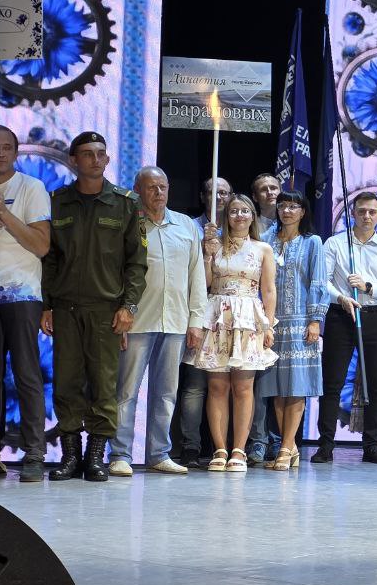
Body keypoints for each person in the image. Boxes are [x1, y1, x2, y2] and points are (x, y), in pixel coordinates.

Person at [42, 131, 147, 483]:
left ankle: (96, 457)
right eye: (87, 154)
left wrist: (129, 306)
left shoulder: (125, 203)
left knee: (104, 385)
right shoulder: (56, 201)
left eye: (101, 153)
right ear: (74, 160)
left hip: (106, 310)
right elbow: (49, 259)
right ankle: (71, 456)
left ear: (108, 159)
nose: (95, 159)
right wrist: (46, 305)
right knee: (66, 384)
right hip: (66, 308)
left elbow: (136, 263)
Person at [108, 167, 205, 477]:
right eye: (151, 187)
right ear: (137, 190)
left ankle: (159, 454)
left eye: (162, 186)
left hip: (175, 321)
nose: (158, 192)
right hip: (137, 322)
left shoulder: (186, 226)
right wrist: (118, 316)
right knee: (126, 392)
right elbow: (116, 273)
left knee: (166, 393)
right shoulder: (128, 224)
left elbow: (196, 274)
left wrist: (196, 320)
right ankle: (120, 454)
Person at [185, 194, 277, 472]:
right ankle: (219, 448)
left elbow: (268, 289)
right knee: (217, 387)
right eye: (234, 211)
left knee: (244, 387)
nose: (239, 215)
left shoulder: (262, 249)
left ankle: (239, 449)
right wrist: (207, 255)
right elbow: (205, 282)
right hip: (217, 316)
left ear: (252, 216)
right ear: (227, 216)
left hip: (248, 318)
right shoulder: (215, 245)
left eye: (245, 211)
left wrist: (268, 326)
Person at [314, 192, 377, 464]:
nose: (367, 216)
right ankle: (325, 445)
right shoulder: (335, 243)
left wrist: (368, 287)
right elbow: (322, 281)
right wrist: (340, 297)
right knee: (332, 382)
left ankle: (372, 446)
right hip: (341, 315)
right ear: (353, 213)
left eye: (372, 212)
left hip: (373, 316)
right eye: (362, 211)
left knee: (375, 384)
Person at [0, 125, 50, 482]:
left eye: (7, 147)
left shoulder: (31, 188)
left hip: (22, 293)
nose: (1, 153)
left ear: (17, 151)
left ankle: (35, 452)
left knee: (26, 374)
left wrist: (5, 215)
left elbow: (41, 245)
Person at [258, 190, 327, 471]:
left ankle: (286, 446)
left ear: (303, 211)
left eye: (293, 206)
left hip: (301, 321)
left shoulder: (312, 242)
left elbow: (318, 281)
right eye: (283, 206)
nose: (287, 211)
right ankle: (291, 448)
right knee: (277, 387)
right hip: (273, 322)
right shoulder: (266, 240)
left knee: (297, 386)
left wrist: (315, 320)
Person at [175, 177, 232, 468]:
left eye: (223, 193)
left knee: (226, 385)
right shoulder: (189, 226)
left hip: (230, 315)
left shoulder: (237, 226)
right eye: (212, 192)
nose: (218, 198)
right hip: (198, 310)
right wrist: (203, 246)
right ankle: (190, 446)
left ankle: (226, 447)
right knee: (194, 385)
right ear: (202, 196)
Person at [247, 172, 284, 463]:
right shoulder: (251, 226)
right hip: (256, 314)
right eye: (264, 189)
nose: (270, 193)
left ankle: (281, 440)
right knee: (259, 382)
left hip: (289, 314)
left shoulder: (293, 225)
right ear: (255, 196)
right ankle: (258, 440)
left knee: (283, 383)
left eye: (274, 188)